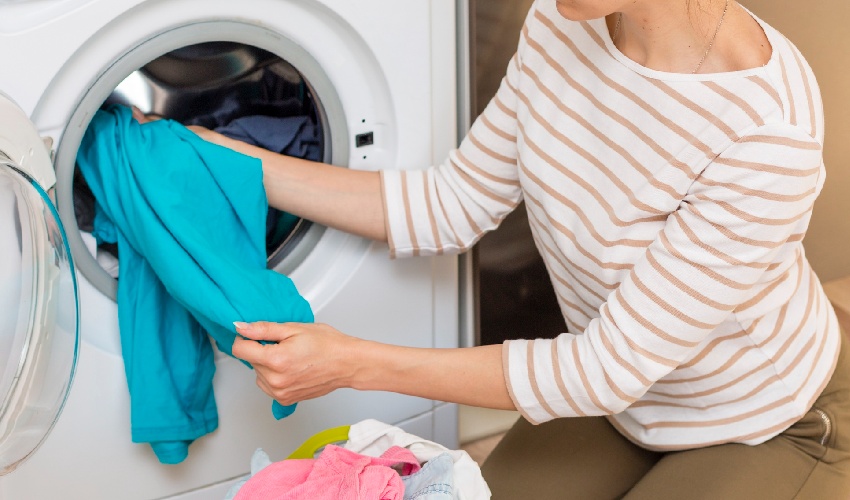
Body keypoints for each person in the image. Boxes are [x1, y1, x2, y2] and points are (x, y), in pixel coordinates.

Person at [185, 0, 850, 497]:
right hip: (620, 405)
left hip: (763, 416)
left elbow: (602, 367)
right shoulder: (562, 23)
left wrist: (351, 364)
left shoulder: (767, 132)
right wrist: (236, 165)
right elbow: (451, 203)